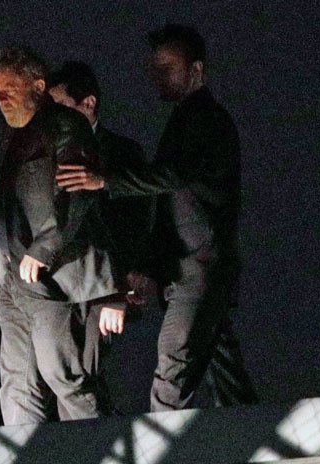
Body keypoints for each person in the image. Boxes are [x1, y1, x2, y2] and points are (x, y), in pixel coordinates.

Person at [56, 24, 258, 411]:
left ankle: (159, 441)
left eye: (167, 66)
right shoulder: (189, 118)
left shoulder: (206, 119)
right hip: (193, 267)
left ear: (196, 70)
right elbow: (168, 200)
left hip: (198, 267)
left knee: (173, 371)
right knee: (224, 376)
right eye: (153, 68)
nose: (156, 75)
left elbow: (173, 177)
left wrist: (105, 180)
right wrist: (148, 268)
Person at [0, 46, 123, 426]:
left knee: (62, 374)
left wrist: (43, 249)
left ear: (38, 87)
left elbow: (77, 193)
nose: (0, 98)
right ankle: (29, 449)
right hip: (16, 280)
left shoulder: (66, 126)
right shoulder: (13, 137)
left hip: (52, 276)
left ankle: (96, 446)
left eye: (9, 89)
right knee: (17, 384)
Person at [47, 61, 157, 404]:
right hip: (60, 282)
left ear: (89, 103)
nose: (54, 116)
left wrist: (118, 292)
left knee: (85, 373)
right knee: (65, 375)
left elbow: (136, 221)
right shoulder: (50, 152)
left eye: (61, 106)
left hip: (105, 281)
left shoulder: (123, 152)